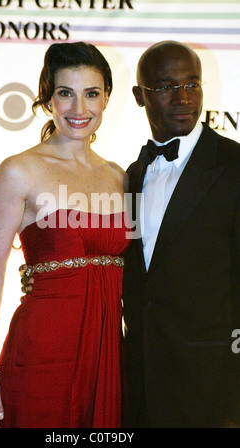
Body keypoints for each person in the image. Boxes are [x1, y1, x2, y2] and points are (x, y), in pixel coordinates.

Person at [0, 41, 131, 428]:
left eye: (91, 94)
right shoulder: (20, 170)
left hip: (106, 353)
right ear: (48, 99)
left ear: (107, 98)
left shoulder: (120, 176)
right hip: (43, 351)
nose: (79, 109)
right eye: (66, 94)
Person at [123, 40, 240, 428]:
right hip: (139, 378)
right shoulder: (132, 174)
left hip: (211, 384)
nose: (183, 97)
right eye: (165, 86)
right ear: (140, 96)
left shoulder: (234, 165)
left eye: (192, 84)